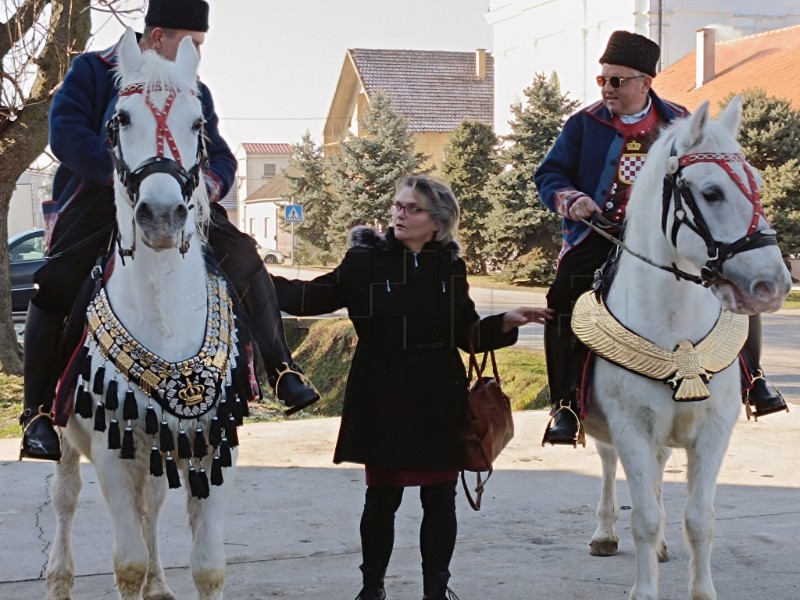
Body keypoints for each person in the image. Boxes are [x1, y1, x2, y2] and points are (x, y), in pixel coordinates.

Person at [19, 0, 319, 462]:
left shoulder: (193, 86)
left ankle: (281, 369)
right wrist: (122, 178)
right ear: (158, 38)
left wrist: (205, 186)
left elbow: (219, 155)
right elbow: (66, 133)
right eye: (193, 42)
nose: (198, 52)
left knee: (243, 259)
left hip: (179, 199)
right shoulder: (92, 72)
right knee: (55, 284)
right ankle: (37, 413)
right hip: (101, 197)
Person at [273, 175, 552, 600]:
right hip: (382, 393)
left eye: (412, 208)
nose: (400, 214)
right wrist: (250, 273)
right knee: (381, 499)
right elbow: (306, 299)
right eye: (398, 206)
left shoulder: (450, 267)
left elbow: (466, 333)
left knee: (440, 500)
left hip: (439, 393)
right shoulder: (364, 261)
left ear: (437, 222)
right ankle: (372, 590)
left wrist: (508, 322)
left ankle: (436, 592)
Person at [534, 30, 788, 447]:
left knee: (735, 280)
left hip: (668, 233)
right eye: (603, 80)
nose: (607, 89)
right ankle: (565, 405)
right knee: (563, 297)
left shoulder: (681, 120)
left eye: (617, 80)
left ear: (644, 82)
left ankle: (753, 380)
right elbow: (549, 174)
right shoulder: (583, 124)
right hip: (600, 234)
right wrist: (571, 198)